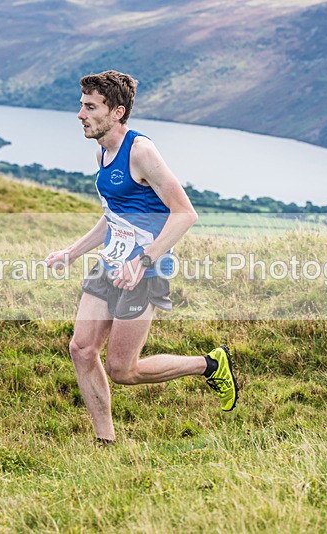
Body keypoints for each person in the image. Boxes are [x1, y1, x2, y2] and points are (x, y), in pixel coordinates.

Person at [45, 70, 238, 444]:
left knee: (122, 369)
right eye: (81, 105)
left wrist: (142, 261)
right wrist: (73, 251)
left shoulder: (141, 151)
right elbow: (113, 217)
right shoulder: (102, 149)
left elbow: (185, 213)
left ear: (117, 112)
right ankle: (105, 442)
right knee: (81, 349)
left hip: (144, 272)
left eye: (89, 107)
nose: (80, 114)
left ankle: (210, 365)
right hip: (111, 264)